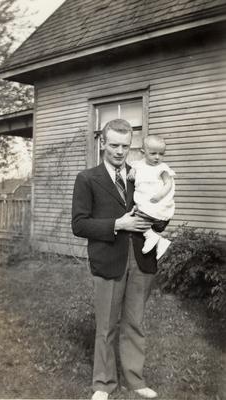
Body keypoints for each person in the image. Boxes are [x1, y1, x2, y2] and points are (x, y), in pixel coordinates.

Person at [72, 119, 164, 400]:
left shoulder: (141, 175)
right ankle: (103, 384)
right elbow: (79, 224)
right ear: (103, 143)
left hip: (141, 259)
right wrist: (117, 224)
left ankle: (135, 381)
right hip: (109, 259)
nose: (120, 151)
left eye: (125, 145)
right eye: (114, 145)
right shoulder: (88, 178)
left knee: (135, 323)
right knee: (107, 325)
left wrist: (161, 217)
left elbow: (155, 216)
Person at [128, 135, 175, 259]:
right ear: (143, 152)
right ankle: (156, 239)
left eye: (161, 154)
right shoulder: (139, 164)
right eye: (153, 153)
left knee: (138, 216)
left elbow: (168, 183)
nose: (157, 157)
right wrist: (132, 172)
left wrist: (160, 196)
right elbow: (134, 168)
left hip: (155, 201)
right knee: (135, 215)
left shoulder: (162, 168)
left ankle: (152, 237)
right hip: (143, 199)